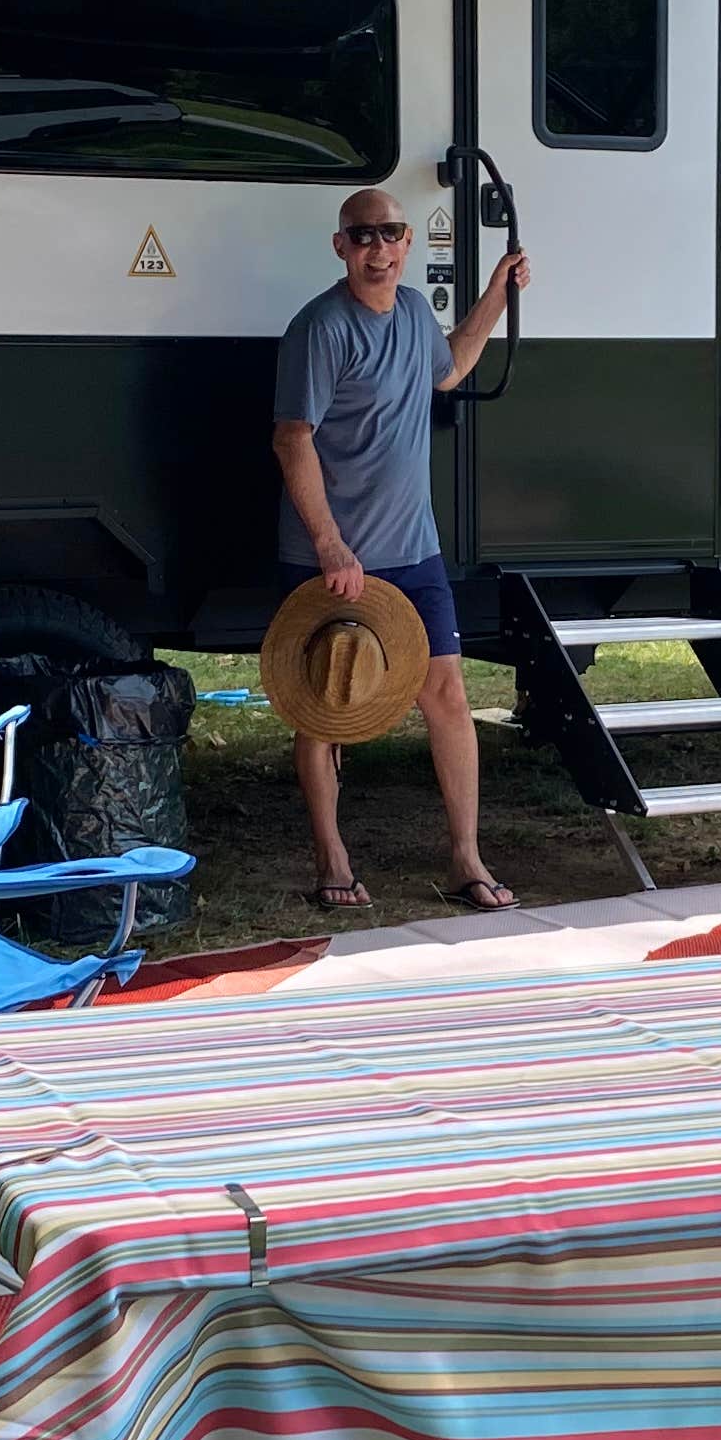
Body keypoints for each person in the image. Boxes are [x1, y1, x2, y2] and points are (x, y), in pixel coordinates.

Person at [273, 187, 528, 911]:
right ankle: (332, 858)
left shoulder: (414, 311)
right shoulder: (321, 328)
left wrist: (497, 294)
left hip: (414, 551)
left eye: (389, 234)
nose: (377, 249)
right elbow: (291, 439)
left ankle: (466, 859)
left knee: (447, 695)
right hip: (333, 559)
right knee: (321, 707)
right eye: (362, 236)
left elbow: (447, 369)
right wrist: (331, 546)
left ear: (408, 242)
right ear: (340, 247)